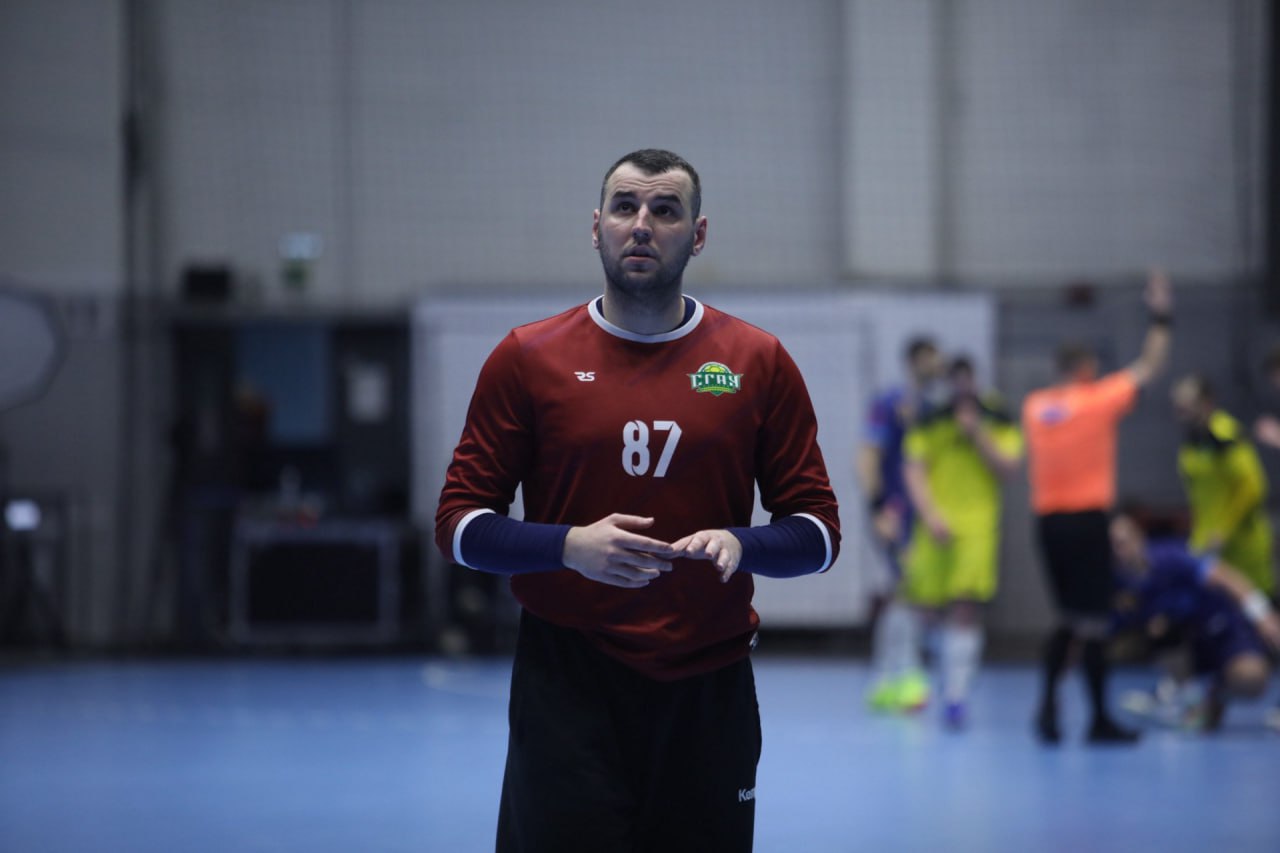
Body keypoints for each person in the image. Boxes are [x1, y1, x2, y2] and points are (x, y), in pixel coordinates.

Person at [434, 149, 841, 853]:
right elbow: (458, 524)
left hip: (708, 685)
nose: (642, 224)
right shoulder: (528, 357)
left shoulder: (756, 360)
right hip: (567, 682)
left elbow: (819, 533)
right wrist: (567, 546)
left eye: (665, 209)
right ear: (597, 227)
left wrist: (742, 543)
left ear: (698, 234)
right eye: (625, 207)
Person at [1022, 269, 1173, 745]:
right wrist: (1161, 316)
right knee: (1094, 623)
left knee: (1069, 618)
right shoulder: (1097, 400)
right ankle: (1098, 720)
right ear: (1085, 366)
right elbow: (1150, 366)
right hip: (1086, 522)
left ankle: (1048, 708)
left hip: (1048, 524)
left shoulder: (1035, 407)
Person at [902, 356, 1023, 728]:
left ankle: (957, 694)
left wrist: (977, 433)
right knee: (926, 610)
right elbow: (914, 469)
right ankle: (933, 679)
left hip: (978, 526)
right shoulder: (930, 417)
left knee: (966, 606)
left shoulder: (997, 415)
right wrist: (931, 514)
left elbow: (1008, 468)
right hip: (935, 524)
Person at [1109, 511, 1280, 731]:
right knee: (1161, 631)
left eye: (1123, 542)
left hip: (1221, 629)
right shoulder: (1118, 584)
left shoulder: (1169, 557)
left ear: (1139, 538)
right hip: (1186, 644)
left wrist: (1262, 615)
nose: (1119, 551)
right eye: (1112, 545)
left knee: (1251, 678)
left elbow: (1226, 577)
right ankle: (1177, 693)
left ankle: (1213, 696)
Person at [858, 336, 944, 713]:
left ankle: (889, 679)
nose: (937, 366)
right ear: (913, 361)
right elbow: (867, 456)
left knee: (909, 592)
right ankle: (899, 677)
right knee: (906, 590)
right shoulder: (890, 402)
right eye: (930, 359)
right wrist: (878, 508)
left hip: (922, 517)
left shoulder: (933, 409)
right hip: (895, 513)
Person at [1172, 374, 1274, 596]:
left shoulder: (1225, 435)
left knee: (1258, 604)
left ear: (1206, 403)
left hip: (1240, 542)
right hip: (1205, 540)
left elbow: (1252, 487)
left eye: (1188, 403)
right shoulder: (1191, 441)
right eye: (1179, 404)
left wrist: (1223, 530)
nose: (1182, 410)